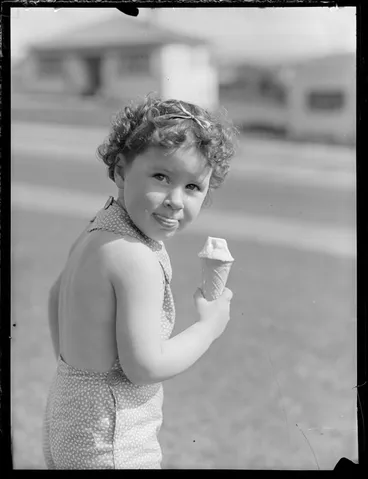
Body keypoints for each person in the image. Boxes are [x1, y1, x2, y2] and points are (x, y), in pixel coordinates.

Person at [42, 95, 238, 469]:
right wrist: (209, 327)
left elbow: (56, 297)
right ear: (119, 171)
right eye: (161, 177)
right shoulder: (136, 257)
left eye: (194, 187)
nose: (176, 201)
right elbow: (145, 367)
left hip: (69, 416)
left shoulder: (98, 230)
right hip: (112, 440)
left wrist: (80, 373)